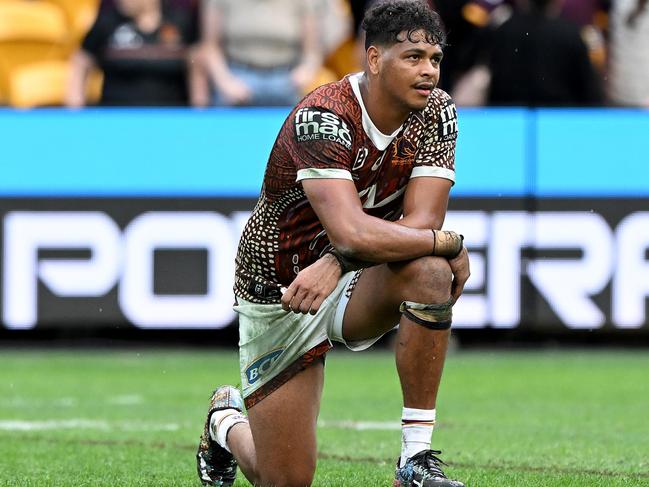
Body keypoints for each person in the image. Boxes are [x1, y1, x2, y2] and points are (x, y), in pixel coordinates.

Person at [196, 1, 470, 486]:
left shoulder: (438, 111)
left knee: (430, 270)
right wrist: (449, 241)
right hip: (282, 289)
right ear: (374, 58)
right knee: (285, 479)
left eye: (434, 58)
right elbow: (353, 231)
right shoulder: (322, 115)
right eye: (413, 57)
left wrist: (341, 261)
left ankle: (416, 458)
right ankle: (225, 423)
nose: (428, 70)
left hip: (350, 276)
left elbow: (422, 220)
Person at [191, 0, 324, 107]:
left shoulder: (304, 2)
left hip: (286, 78)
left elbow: (312, 50)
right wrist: (225, 82)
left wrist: (305, 71)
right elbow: (210, 45)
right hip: (238, 75)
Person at [66, 0, 197, 107]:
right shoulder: (107, 21)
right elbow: (81, 61)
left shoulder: (180, 20)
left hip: (171, 120)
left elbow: (196, 67)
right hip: (115, 119)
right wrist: (75, 111)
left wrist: (199, 112)